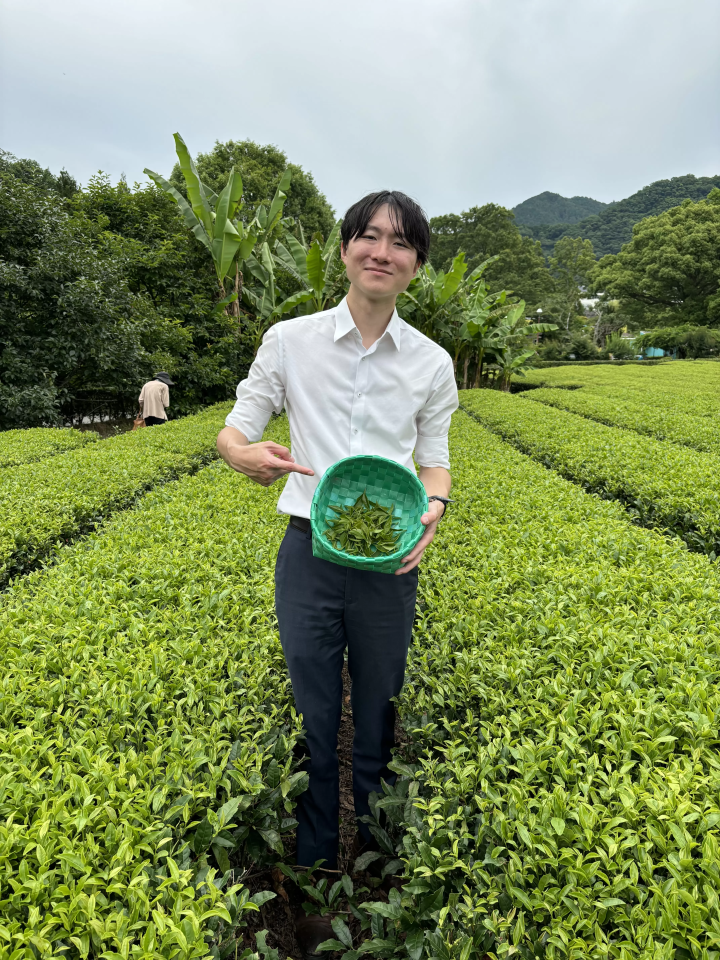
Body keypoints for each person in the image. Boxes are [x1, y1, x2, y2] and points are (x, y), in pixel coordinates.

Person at [217, 191, 457, 956]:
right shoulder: (289, 339)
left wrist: (438, 504)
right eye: (367, 236)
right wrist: (238, 453)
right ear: (346, 247)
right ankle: (319, 877)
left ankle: (381, 871)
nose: (380, 251)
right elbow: (241, 421)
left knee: (379, 709)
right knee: (319, 715)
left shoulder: (430, 361)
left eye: (399, 242)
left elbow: (435, 455)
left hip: (389, 554)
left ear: (417, 265)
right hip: (308, 549)